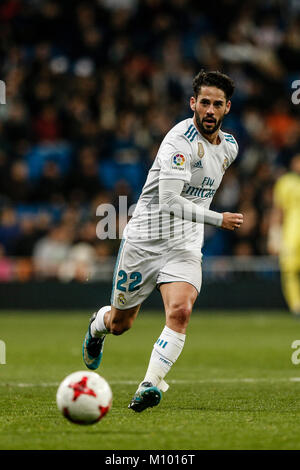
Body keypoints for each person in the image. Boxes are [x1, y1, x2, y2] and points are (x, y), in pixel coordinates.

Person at [82, 70, 244, 412]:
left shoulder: (229, 148)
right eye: (204, 103)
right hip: (145, 240)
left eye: (217, 104)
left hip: (184, 243)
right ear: (193, 104)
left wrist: (204, 223)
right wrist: (219, 219)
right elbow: (170, 202)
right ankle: (98, 327)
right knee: (121, 324)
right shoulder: (178, 141)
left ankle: (149, 385)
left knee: (181, 311)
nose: (210, 110)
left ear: (227, 107)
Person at [268, 154, 300, 316]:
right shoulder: (285, 182)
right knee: (289, 269)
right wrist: (274, 236)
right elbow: (278, 210)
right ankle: (296, 307)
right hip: (291, 232)